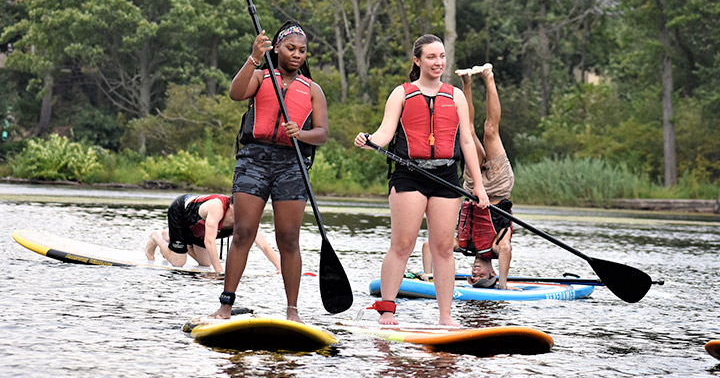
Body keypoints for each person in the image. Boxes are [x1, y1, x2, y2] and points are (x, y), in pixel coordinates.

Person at [354, 34, 489, 327]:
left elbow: (467, 141)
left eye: (441, 57)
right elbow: (385, 134)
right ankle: (387, 311)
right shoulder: (401, 93)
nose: (438, 62)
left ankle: (445, 316)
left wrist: (478, 186)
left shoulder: (456, 95)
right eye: (431, 57)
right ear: (417, 61)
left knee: (443, 248)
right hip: (409, 173)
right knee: (403, 244)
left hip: (445, 176)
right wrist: (368, 140)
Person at [211, 20, 328, 323]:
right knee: (243, 232)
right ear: (276, 48)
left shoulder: (313, 89)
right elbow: (235, 93)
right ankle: (225, 305)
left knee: (288, 238)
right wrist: (253, 57)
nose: (296, 55)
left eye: (302, 51)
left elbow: (322, 133)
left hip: (292, 164)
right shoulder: (262, 77)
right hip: (254, 160)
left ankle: (292, 311)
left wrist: (300, 134)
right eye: (290, 48)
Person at [420, 63, 515, 290]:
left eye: (472, 278)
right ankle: (489, 77)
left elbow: (428, 245)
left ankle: (467, 83)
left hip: (472, 185)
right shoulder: (495, 248)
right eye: (481, 276)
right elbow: (507, 250)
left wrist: (427, 276)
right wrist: (503, 286)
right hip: (499, 185)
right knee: (491, 132)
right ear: (491, 271)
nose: (474, 273)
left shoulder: (463, 247)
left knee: (468, 131)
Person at [145, 194, 281, 274]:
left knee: (205, 263)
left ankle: (171, 236)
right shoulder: (217, 207)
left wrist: (280, 269)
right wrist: (219, 272)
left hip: (198, 229)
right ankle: (156, 237)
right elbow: (209, 241)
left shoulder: (246, 219)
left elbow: (263, 245)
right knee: (178, 262)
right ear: (232, 206)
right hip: (181, 211)